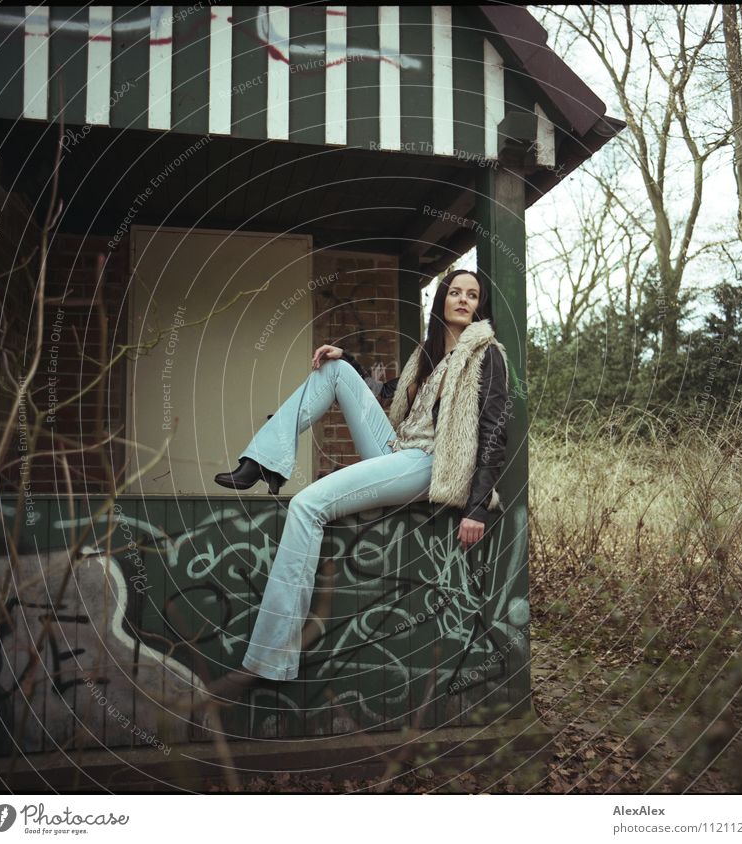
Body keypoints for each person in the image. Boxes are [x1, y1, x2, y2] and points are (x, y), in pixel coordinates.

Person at [171, 269, 510, 714]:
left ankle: (267, 658)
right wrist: (348, 358)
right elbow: (392, 397)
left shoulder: (487, 354)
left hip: (430, 464)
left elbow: (494, 430)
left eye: (472, 295)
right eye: (455, 292)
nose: (463, 299)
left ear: (478, 306)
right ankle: (261, 461)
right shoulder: (428, 355)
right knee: (333, 369)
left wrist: (478, 506)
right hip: (399, 447)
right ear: (442, 299)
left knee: (307, 505)